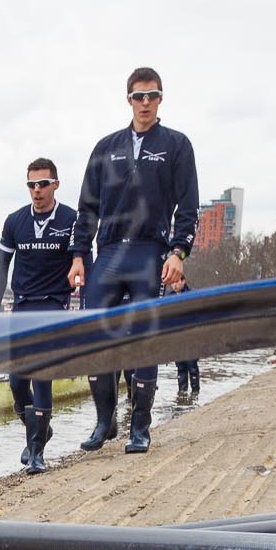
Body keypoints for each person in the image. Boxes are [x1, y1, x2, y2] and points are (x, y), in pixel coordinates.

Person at [70, 67, 198, 454]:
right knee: (97, 337)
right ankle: (104, 422)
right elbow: (87, 207)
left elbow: (188, 206)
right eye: (138, 96)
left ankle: (140, 427)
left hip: (149, 250)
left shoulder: (176, 145)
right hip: (108, 252)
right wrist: (78, 255)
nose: (145, 103)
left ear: (161, 99)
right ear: (128, 100)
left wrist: (179, 253)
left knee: (143, 340)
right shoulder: (106, 146)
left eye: (152, 95)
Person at [0, 157, 77, 474]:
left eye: (42, 184)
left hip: (53, 305)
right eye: (31, 185)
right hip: (23, 306)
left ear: (55, 184)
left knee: (41, 374)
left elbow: (84, 263)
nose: (36, 190)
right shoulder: (15, 221)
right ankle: (39, 430)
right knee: (16, 382)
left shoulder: (70, 219)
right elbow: (1, 267)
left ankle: (37, 452)